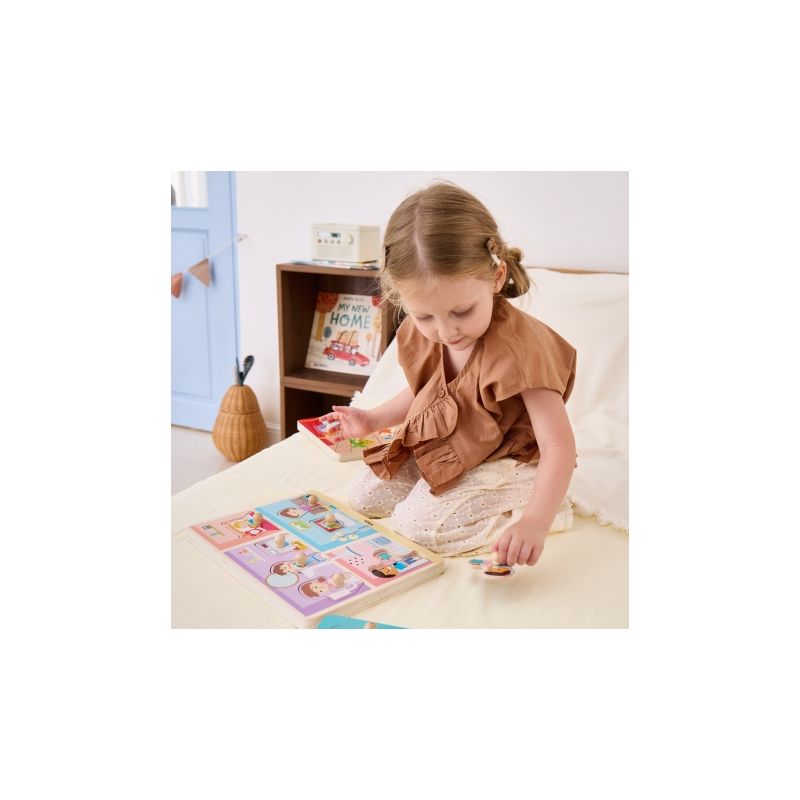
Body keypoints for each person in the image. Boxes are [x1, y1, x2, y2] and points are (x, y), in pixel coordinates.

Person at [320, 181, 577, 568]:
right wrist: (373, 419)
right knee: (364, 497)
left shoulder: (522, 352)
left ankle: (545, 503)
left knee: (417, 526)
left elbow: (558, 445)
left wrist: (535, 523)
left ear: (496, 277)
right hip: (450, 441)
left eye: (461, 311)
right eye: (425, 316)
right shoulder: (422, 333)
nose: (445, 331)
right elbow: (426, 391)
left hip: (506, 456)